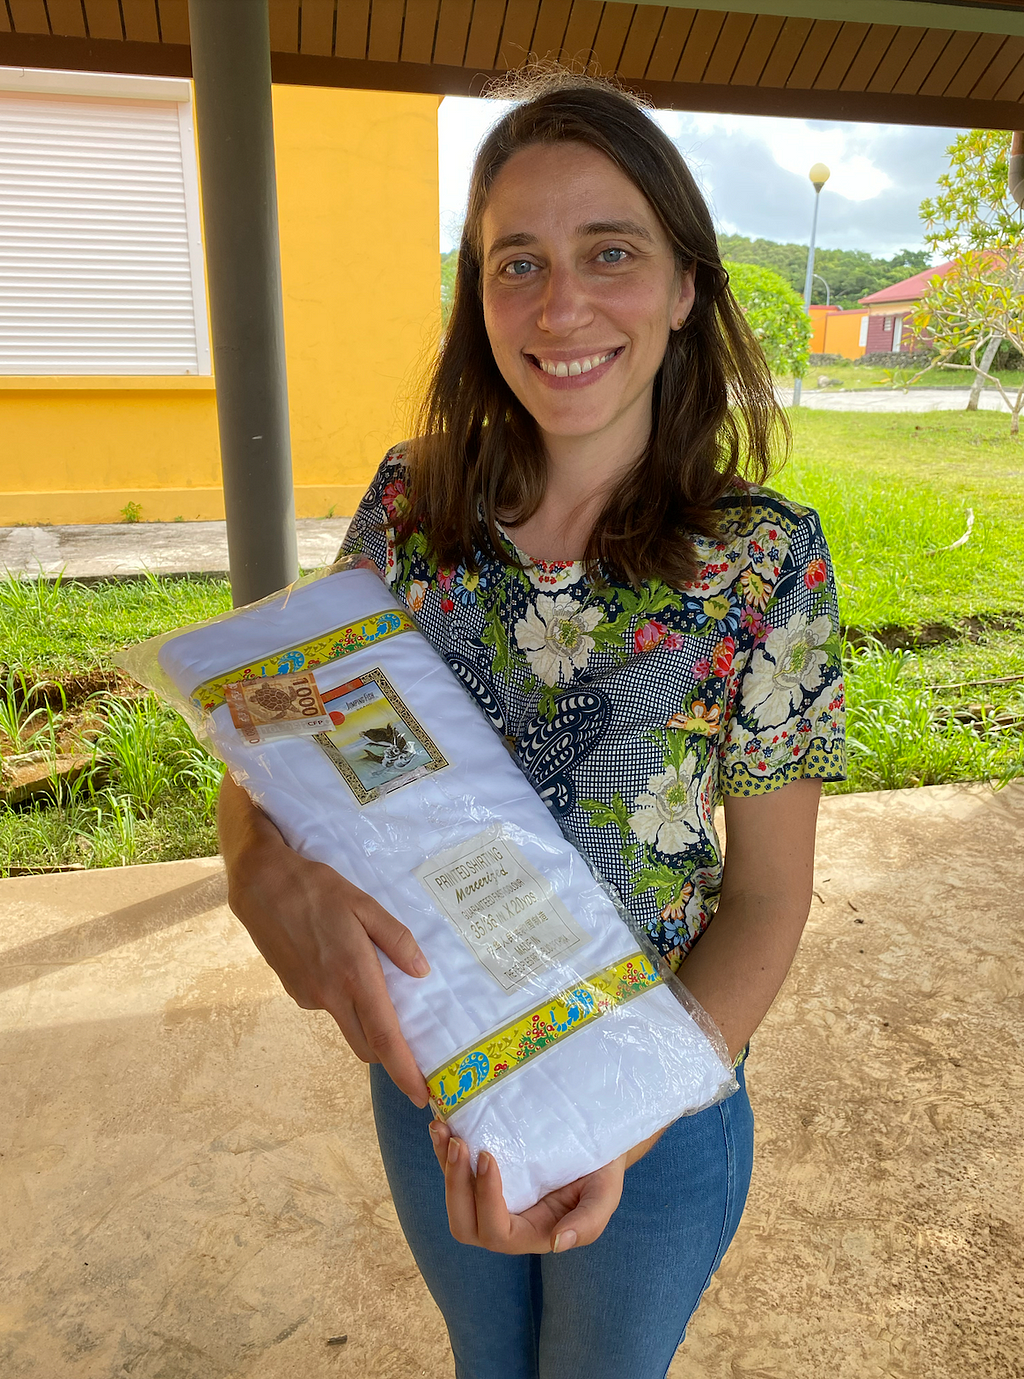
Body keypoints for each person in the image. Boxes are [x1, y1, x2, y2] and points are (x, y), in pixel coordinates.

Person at [218, 73, 845, 1379]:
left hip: (656, 1109)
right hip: (441, 1083)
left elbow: (770, 900)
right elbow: (270, 746)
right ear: (479, 297)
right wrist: (274, 893)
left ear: (685, 286)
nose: (562, 306)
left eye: (610, 252)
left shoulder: (763, 562)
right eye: (519, 263)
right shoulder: (410, 508)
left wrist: (610, 1117)